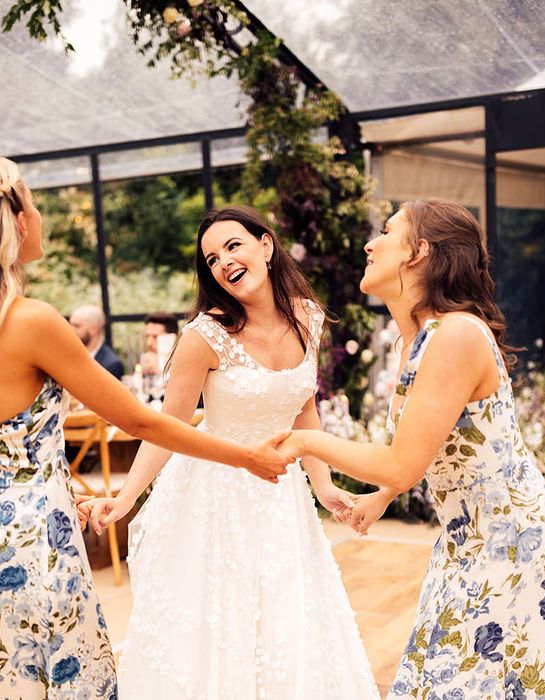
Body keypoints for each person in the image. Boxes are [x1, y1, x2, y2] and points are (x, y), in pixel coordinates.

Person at [0, 158, 291, 700]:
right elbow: (140, 419)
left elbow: (1, 443)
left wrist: (60, 484)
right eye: (32, 202)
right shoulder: (31, 320)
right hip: (39, 548)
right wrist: (245, 456)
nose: (39, 214)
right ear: (15, 221)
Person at [80, 205, 381, 699]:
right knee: (222, 630)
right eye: (212, 258)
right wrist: (127, 495)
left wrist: (323, 486)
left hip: (282, 500)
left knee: (286, 622)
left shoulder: (308, 317)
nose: (223, 262)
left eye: (233, 246)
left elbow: (302, 405)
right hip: (214, 502)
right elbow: (166, 428)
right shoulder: (205, 336)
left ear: (266, 246)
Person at [281, 199, 545, 698]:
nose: (370, 244)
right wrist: (381, 497)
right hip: (467, 536)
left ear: (419, 252)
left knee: (465, 679)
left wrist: (305, 440)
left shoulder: (456, 334)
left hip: (508, 540)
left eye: (387, 232)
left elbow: (402, 460)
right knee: (441, 673)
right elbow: (429, 449)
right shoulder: (415, 340)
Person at [69, 304, 124, 379]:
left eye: (76, 326)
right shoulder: (70, 356)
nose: (70, 330)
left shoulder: (111, 365)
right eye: (70, 325)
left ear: (93, 329)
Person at [139, 311, 178, 376]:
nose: (149, 343)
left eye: (155, 337)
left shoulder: (182, 360)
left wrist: (159, 370)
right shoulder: (147, 359)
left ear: (172, 337)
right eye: (147, 336)